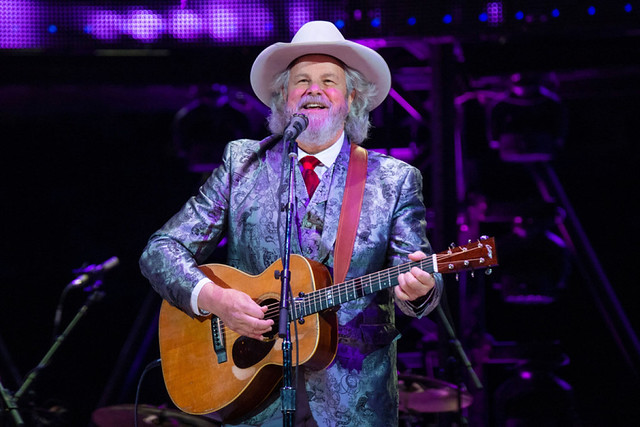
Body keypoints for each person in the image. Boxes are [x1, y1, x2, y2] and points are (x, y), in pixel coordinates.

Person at [140, 20, 443, 427]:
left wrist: (420, 290)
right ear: (284, 97)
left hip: (354, 405)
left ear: (351, 97)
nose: (314, 90)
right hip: (251, 395)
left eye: (329, 81)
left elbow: (418, 275)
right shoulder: (242, 164)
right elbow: (161, 251)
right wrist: (215, 299)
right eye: (302, 81)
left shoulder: (393, 180)